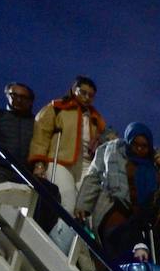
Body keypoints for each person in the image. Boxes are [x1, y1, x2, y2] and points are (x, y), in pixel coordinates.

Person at [77, 122, 160, 263]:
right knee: (118, 240)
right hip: (116, 207)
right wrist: (83, 204)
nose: (139, 149)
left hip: (147, 217)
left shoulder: (158, 159)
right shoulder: (111, 150)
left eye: (144, 146)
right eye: (135, 144)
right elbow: (94, 176)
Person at [28, 76, 105, 212]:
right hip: (61, 160)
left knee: (88, 207)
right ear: (74, 90)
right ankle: (55, 233)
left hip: (87, 164)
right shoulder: (58, 107)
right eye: (83, 92)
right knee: (67, 203)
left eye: (91, 95)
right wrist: (39, 163)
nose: (87, 97)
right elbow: (41, 135)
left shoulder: (96, 118)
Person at [0, 82, 36, 180]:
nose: (19, 100)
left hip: (26, 174)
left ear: (30, 101)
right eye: (14, 95)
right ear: (7, 96)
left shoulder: (37, 122)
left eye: (23, 97)